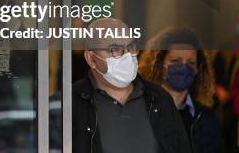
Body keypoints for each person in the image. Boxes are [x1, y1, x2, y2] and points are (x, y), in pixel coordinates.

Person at [73, 18, 191, 153]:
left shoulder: (160, 99)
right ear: (91, 58)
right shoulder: (70, 104)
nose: (127, 56)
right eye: (114, 49)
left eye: (130, 47)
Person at [140, 27, 222, 153]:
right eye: (175, 61)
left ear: (197, 70)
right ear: (159, 65)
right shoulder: (140, 111)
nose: (183, 67)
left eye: (190, 63)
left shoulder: (206, 119)